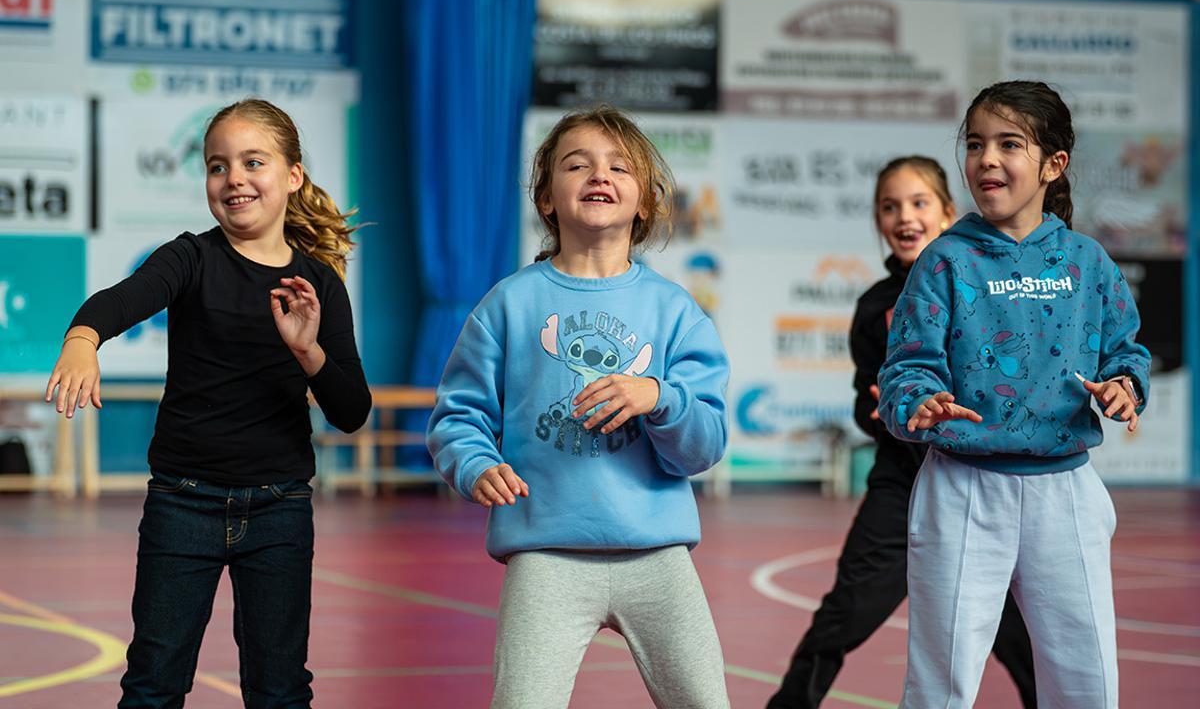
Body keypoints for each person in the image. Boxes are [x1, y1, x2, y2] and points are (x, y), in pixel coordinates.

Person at [44, 98, 371, 708]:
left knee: (279, 688)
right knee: (154, 681)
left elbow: (351, 410)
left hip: (279, 510)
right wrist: (83, 341)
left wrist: (308, 352)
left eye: (254, 161)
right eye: (218, 166)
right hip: (182, 505)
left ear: (292, 175)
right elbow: (119, 300)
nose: (234, 178)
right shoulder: (190, 257)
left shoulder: (317, 283)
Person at [426, 106, 731, 709]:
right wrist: (475, 465)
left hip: (658, 558)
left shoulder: (676, 312)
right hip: (545, 556)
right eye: (577, 164)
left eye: (619, 166)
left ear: (643, 201)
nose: (600, 174)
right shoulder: (507, 305)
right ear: (546, 198)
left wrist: (660, 398)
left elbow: (706, 444)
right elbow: (457, 418)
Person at [878, 81, 1150, 708]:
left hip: (1068, 494)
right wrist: (918, 400)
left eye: (1009, 144)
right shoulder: (944, 260)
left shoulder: (1088, 261)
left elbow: (1127, 353)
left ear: (1054, 165)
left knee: (1089, 678)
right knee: (941, 679)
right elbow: (907, 365)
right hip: (963, 487)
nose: (987, 159)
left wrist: (1124, 387)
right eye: (975, 145)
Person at [767, 157, 1037, 708]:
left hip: (986, 487)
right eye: (889, 207)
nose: (904, 216)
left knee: (1021, 633)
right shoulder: (873, 307)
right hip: (902, 485)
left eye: (918, 203)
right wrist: (880, 411)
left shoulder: (991, 286)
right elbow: (864, 399)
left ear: (945, 212)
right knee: (844, 613)